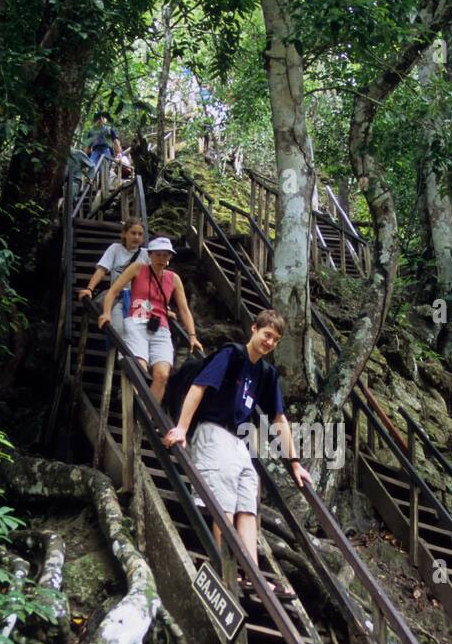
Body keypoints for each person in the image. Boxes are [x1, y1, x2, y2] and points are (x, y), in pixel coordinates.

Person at [162, 310, 312, 587]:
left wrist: (294, 463)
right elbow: (199, 387)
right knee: (224, 500)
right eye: (267, 335)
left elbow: (279, 419)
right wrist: (182, 428)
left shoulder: (266, 373)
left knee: (247, 505)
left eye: (275, 340)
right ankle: (227, 569)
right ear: (254, 329)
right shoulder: (230, 355)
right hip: (212, 432)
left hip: (237, 441)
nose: (269, 342)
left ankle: (252, 574)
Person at [99, 235, 202, 404]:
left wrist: (192, 335)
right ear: (150, 254)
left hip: (160, 327)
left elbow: (184, 309)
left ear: (170, 257)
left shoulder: (173, 278)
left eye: (166, 255)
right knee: (139, 369)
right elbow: (113, 291)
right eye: (158, 254)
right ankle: (134, 409)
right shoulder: (138, 268)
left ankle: (147, 417)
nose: (162, 259)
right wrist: (106, 313)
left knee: (162, 374)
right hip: (135, 323)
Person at [77, 217, 146, 336]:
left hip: (139, 301)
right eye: (133, 233)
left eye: (140, 234)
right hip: (118, 297)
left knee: (139, 334)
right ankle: (117, 354)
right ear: (124, 234)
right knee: (118, 330)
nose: (136, 237)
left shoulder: (146, 255)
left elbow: (157, 281)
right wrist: (90, 289)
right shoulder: (115, 249)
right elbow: (102, 269)